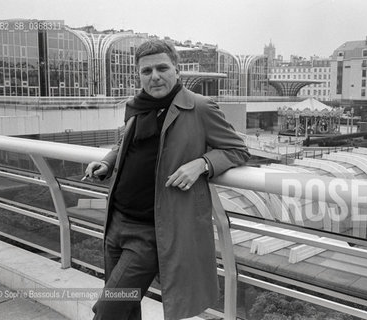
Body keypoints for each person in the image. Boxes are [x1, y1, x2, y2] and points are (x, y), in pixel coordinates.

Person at [84, 39, 250, 320]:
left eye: (162, 68)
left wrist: (202, 164)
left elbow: (238, 150)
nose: (154, 76)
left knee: (107, 310)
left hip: (151, 232)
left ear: (177, 69)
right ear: (138, 75)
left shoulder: (200, 107)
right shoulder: (137, 106)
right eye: (146, 71)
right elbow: (125, 143)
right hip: (116, 222)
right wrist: (106, 162)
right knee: (125, 310)